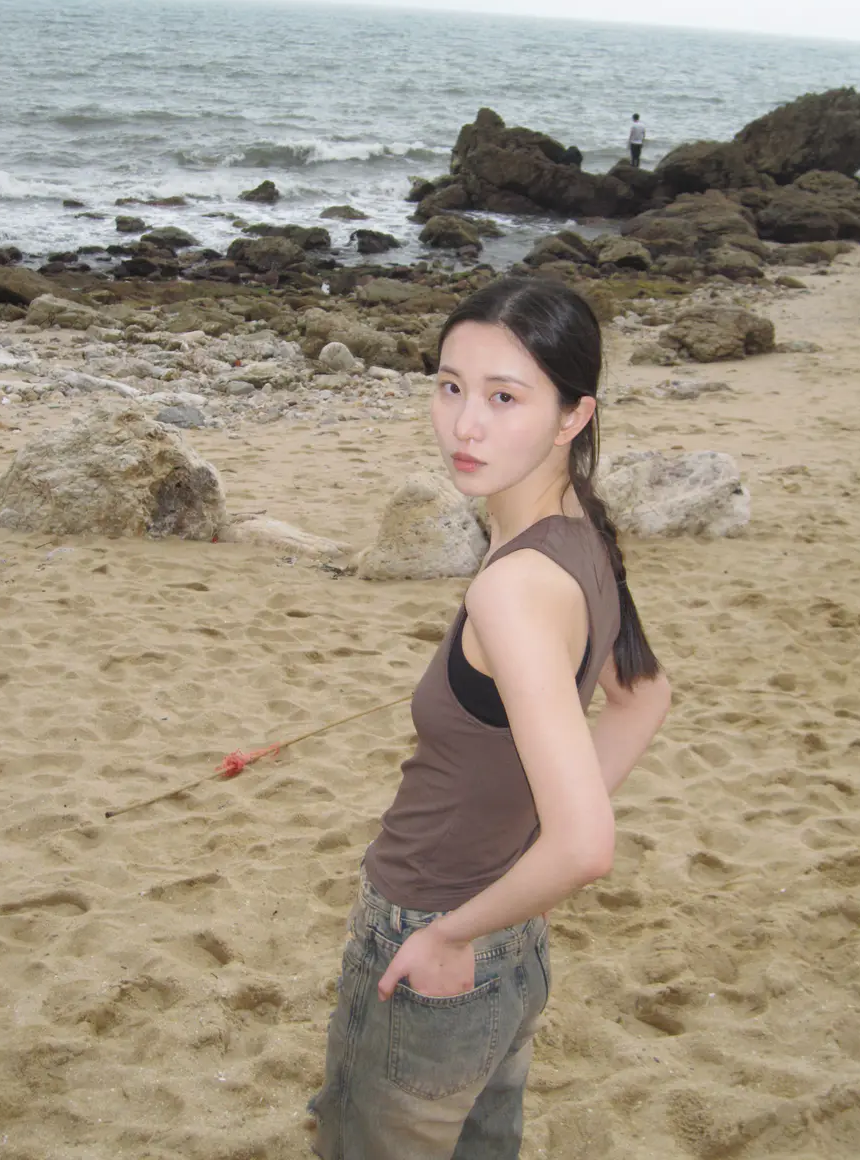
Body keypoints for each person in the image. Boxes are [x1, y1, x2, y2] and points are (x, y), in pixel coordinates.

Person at [309, 276, 672, 1160]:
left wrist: (452, 930)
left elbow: (586, 846)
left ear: (572, 416)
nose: (464, 425)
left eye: (504, 397)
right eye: (450, 386)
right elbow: (643, 695)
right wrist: (517, 863)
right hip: (510, 933)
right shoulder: (578, 527)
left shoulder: (513, 588)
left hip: (437, 933)